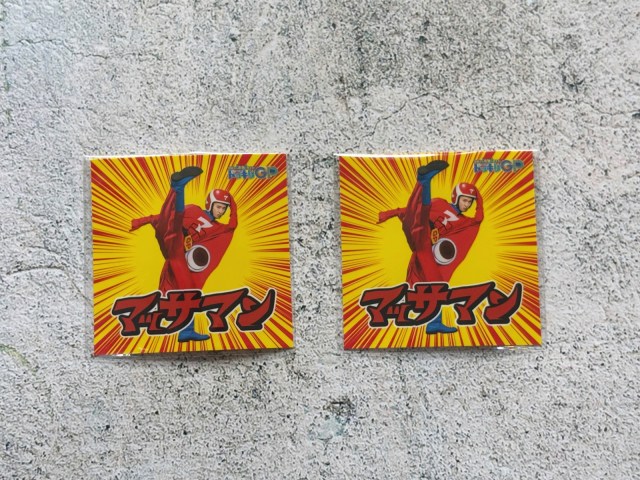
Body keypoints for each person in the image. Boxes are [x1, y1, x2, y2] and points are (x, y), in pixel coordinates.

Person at [130, 166, 238, 342]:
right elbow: (167, 216)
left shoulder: (217, 228)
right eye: (219, 206)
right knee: (176, 221)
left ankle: (185, 330)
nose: (221, 211)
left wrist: (232, 203)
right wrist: (141, 221)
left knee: (186, 290)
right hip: (174, 241)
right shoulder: (194, 210)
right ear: (210, 203)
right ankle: (178, 188)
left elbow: (232, 225)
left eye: (224, 209)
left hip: (181, 258)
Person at [377, 161, 484, 334]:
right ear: (456, 197)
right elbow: (415, 209)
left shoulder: (463, 221)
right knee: (422, 213)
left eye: (470, 202)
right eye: (465, 200)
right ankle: (425, 181)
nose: (467, 205)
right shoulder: (441, 203)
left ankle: (432, 322)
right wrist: (391, 213)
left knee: (429, 283)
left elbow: (478, 219)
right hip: (421, 234)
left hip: (428, 251)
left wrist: (478, 196)